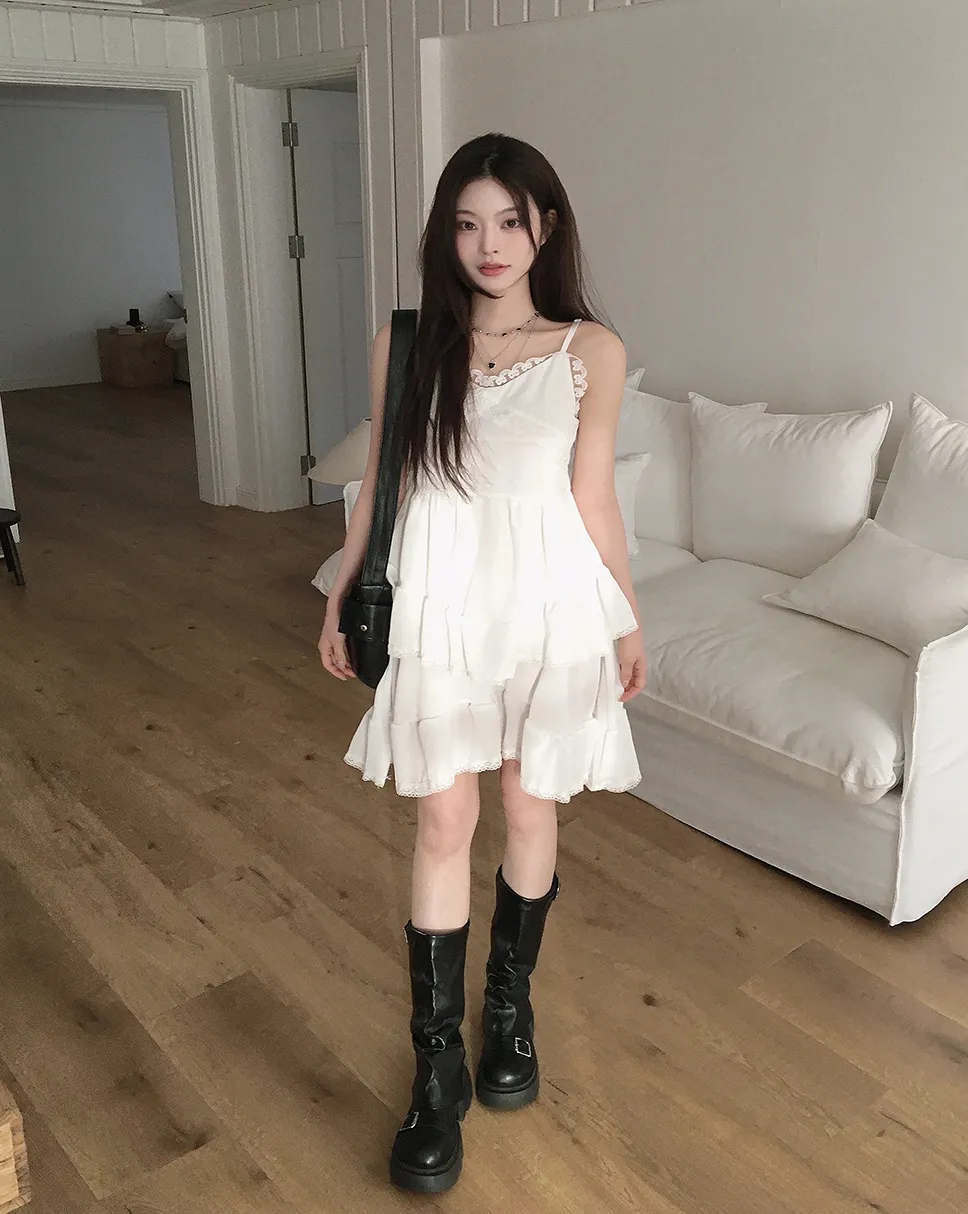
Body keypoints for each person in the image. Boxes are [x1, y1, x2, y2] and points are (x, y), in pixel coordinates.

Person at [317, 132, 647, 1194]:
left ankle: (508, 1009)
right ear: (444, 234)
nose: (488, 243)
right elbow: (381, 482)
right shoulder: (409, 341)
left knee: (528, 801)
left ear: (546, 226)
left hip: (548, 601)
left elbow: (594, 495)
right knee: (442, 818)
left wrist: (626, 620)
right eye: (467, 223)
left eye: (509, 220)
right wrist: (342, 589)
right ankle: (437, 1068)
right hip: (442, 599)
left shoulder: (591, 350)